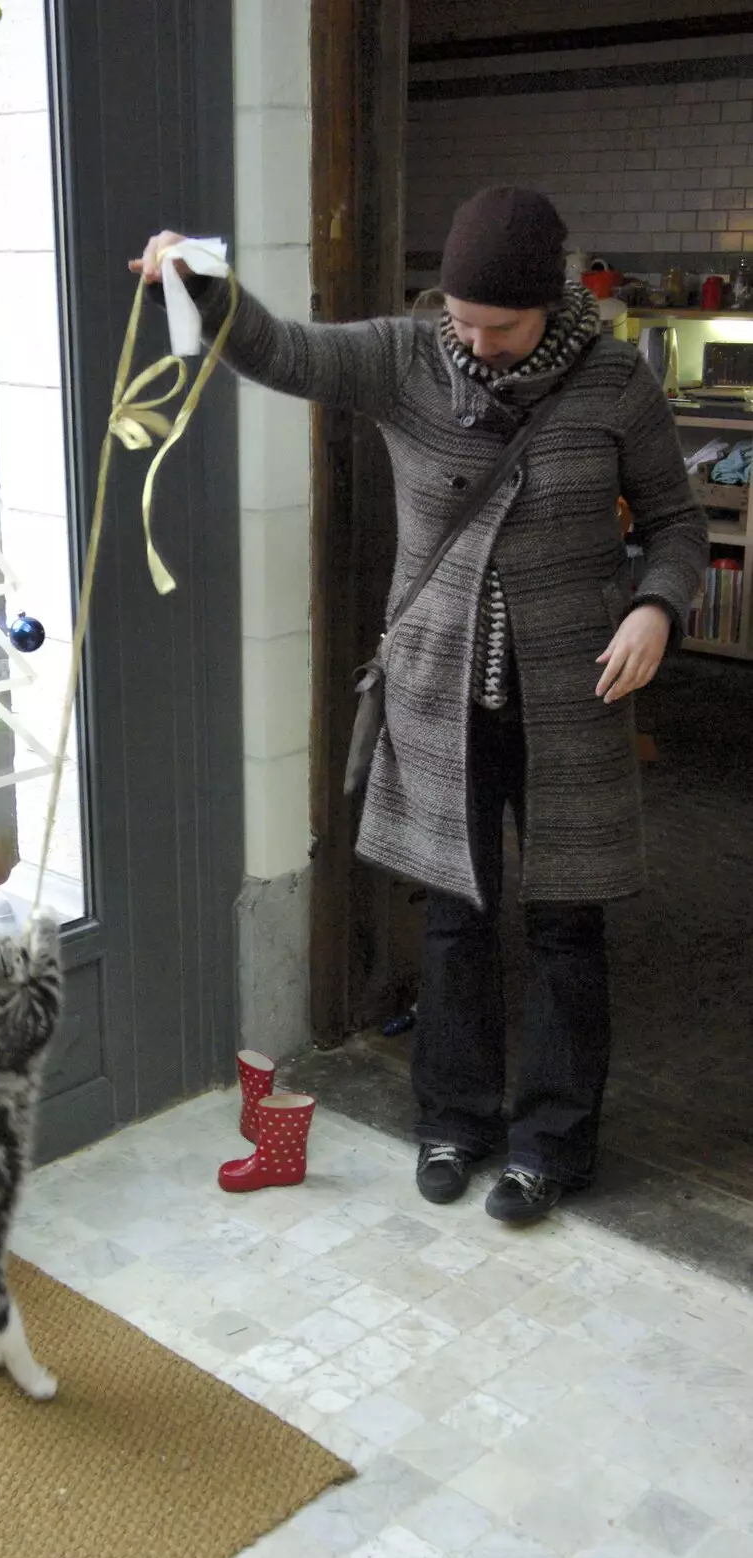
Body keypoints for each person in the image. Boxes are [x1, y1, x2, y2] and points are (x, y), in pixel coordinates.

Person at [132, 188, 708, 1223]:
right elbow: (286, 352)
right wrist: (205, 287)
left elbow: (676, 521)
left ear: (551, 305)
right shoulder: (410, 355)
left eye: (499, 326)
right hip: (444, 693)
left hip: (575, 693)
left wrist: (657, 609)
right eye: (461, 319)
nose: (475, 342)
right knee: (454, 915)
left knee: (567, 928)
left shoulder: (615, 380)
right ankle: (453, 1121)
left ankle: (551, 1144)